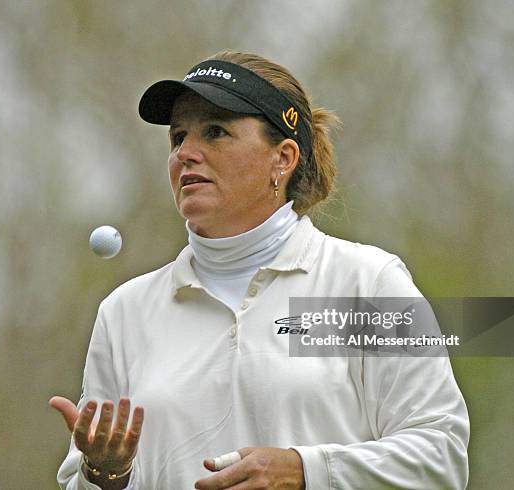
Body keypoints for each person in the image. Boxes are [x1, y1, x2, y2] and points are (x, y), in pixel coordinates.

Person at [50, 50, 470, 489]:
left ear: (283, 158)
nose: (186, 154)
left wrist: (305, 472)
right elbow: (82, 483)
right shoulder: (124, 312)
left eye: (215, 132)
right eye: (177, 138)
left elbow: (440, 458)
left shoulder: (368, 282)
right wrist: (106, 474)